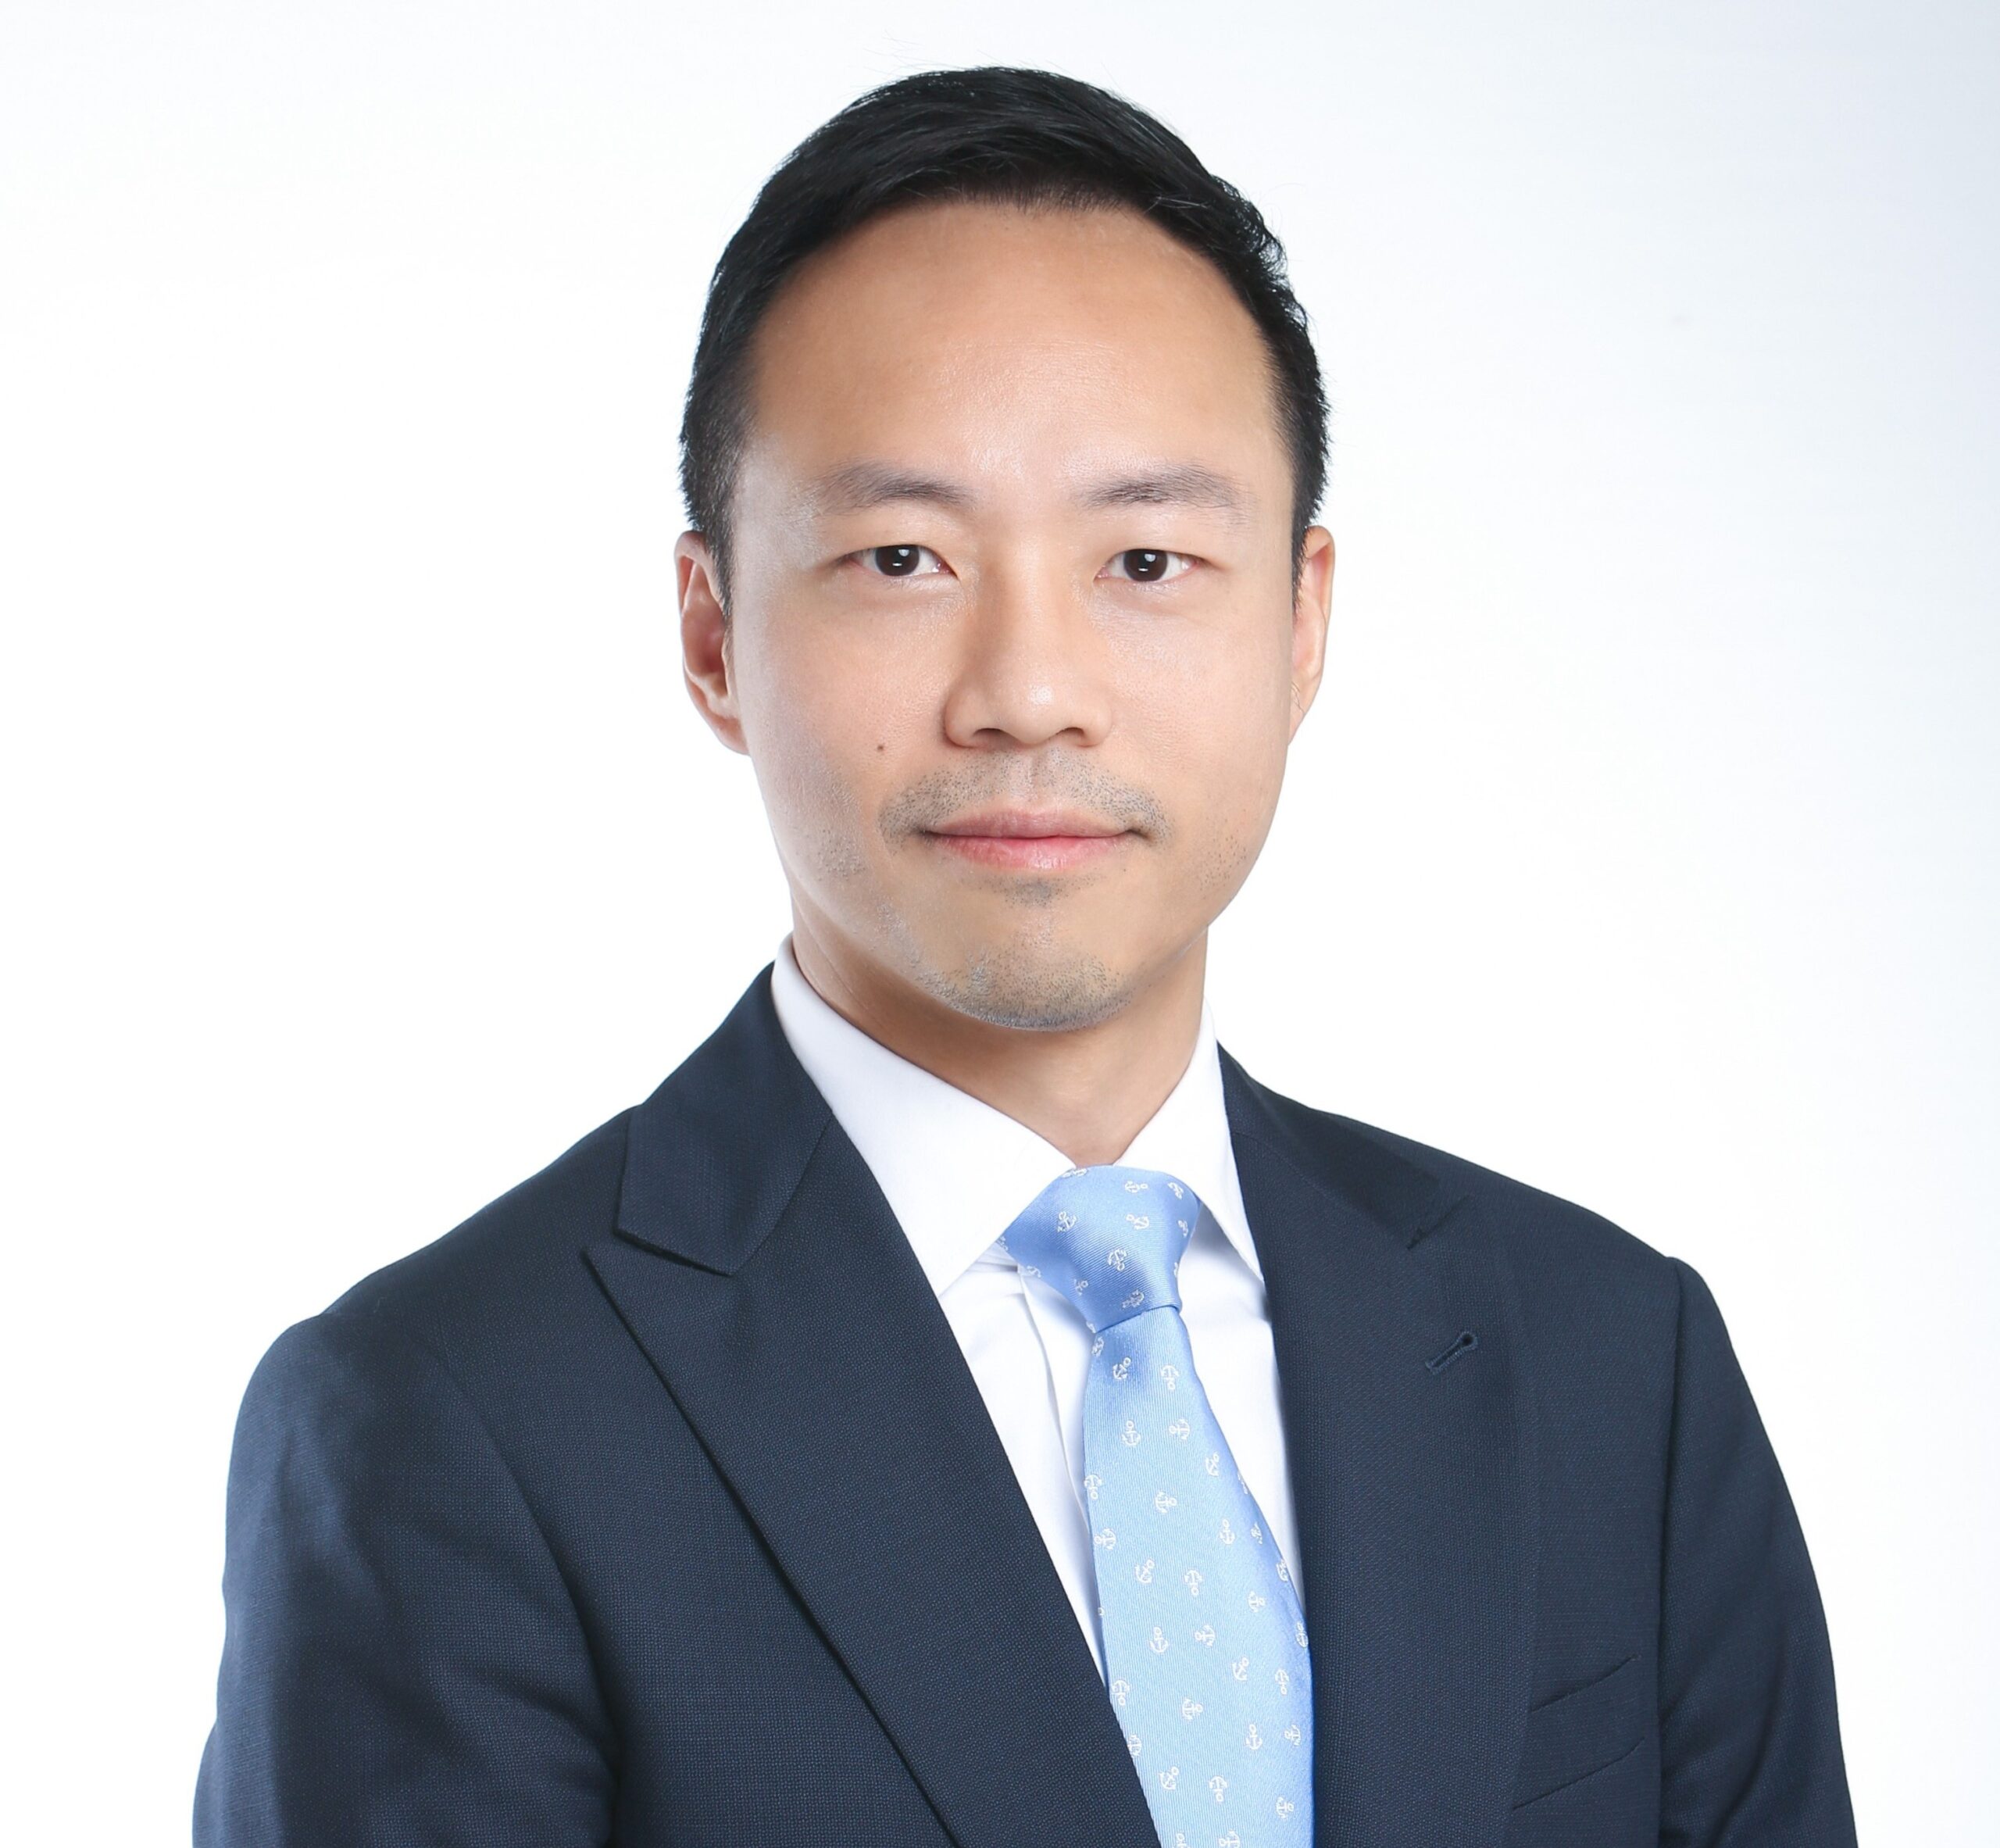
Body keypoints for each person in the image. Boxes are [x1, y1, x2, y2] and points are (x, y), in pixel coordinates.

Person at [193, 65, 1857, 1848]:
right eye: (900, 555)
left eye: (1145, 557)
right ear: (711, 635)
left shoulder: (1610, 1362)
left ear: (1300, 623)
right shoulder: (447, 1422)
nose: (1029, 693)